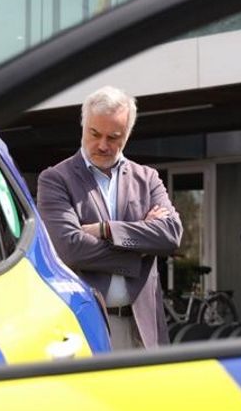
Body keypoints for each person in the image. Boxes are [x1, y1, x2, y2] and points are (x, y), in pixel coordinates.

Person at [37, 85, 182, 350]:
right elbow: (70, 248)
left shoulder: (147, 177)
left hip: (145, 329)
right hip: (89, 325)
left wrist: (106, 229)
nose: (103, 145)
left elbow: (171, 235)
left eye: (113, 137)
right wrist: (140, 251)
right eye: (95, 134)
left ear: (126, 136)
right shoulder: (56, 179)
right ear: (83, 126)